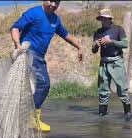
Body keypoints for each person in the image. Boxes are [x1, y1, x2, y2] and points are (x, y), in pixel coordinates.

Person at [10, 0, 82, 131]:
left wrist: (78, 46)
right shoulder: (34, 13)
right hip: (28, 52)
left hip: (40, 57)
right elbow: (15, 28)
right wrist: (17, 44)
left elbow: (65, 34)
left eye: (57, 2)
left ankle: (30, 118)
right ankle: (31, 119)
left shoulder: (55, 19)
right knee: (43, 84)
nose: (54, 5)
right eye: (51, 1)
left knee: (38, 87)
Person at [91, 8, 132, 121]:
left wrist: (111, 41)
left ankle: (127, 112)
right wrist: (96, 45)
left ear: (109, 19)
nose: (102, 21)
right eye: (101, 19)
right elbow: (93, 51)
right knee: (102, 89)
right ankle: (102, 115)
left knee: (122, 88)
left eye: (104, 19)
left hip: (117, 62)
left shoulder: (118, 29)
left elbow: (125, 44)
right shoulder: (98, 32)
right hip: (103, 63)